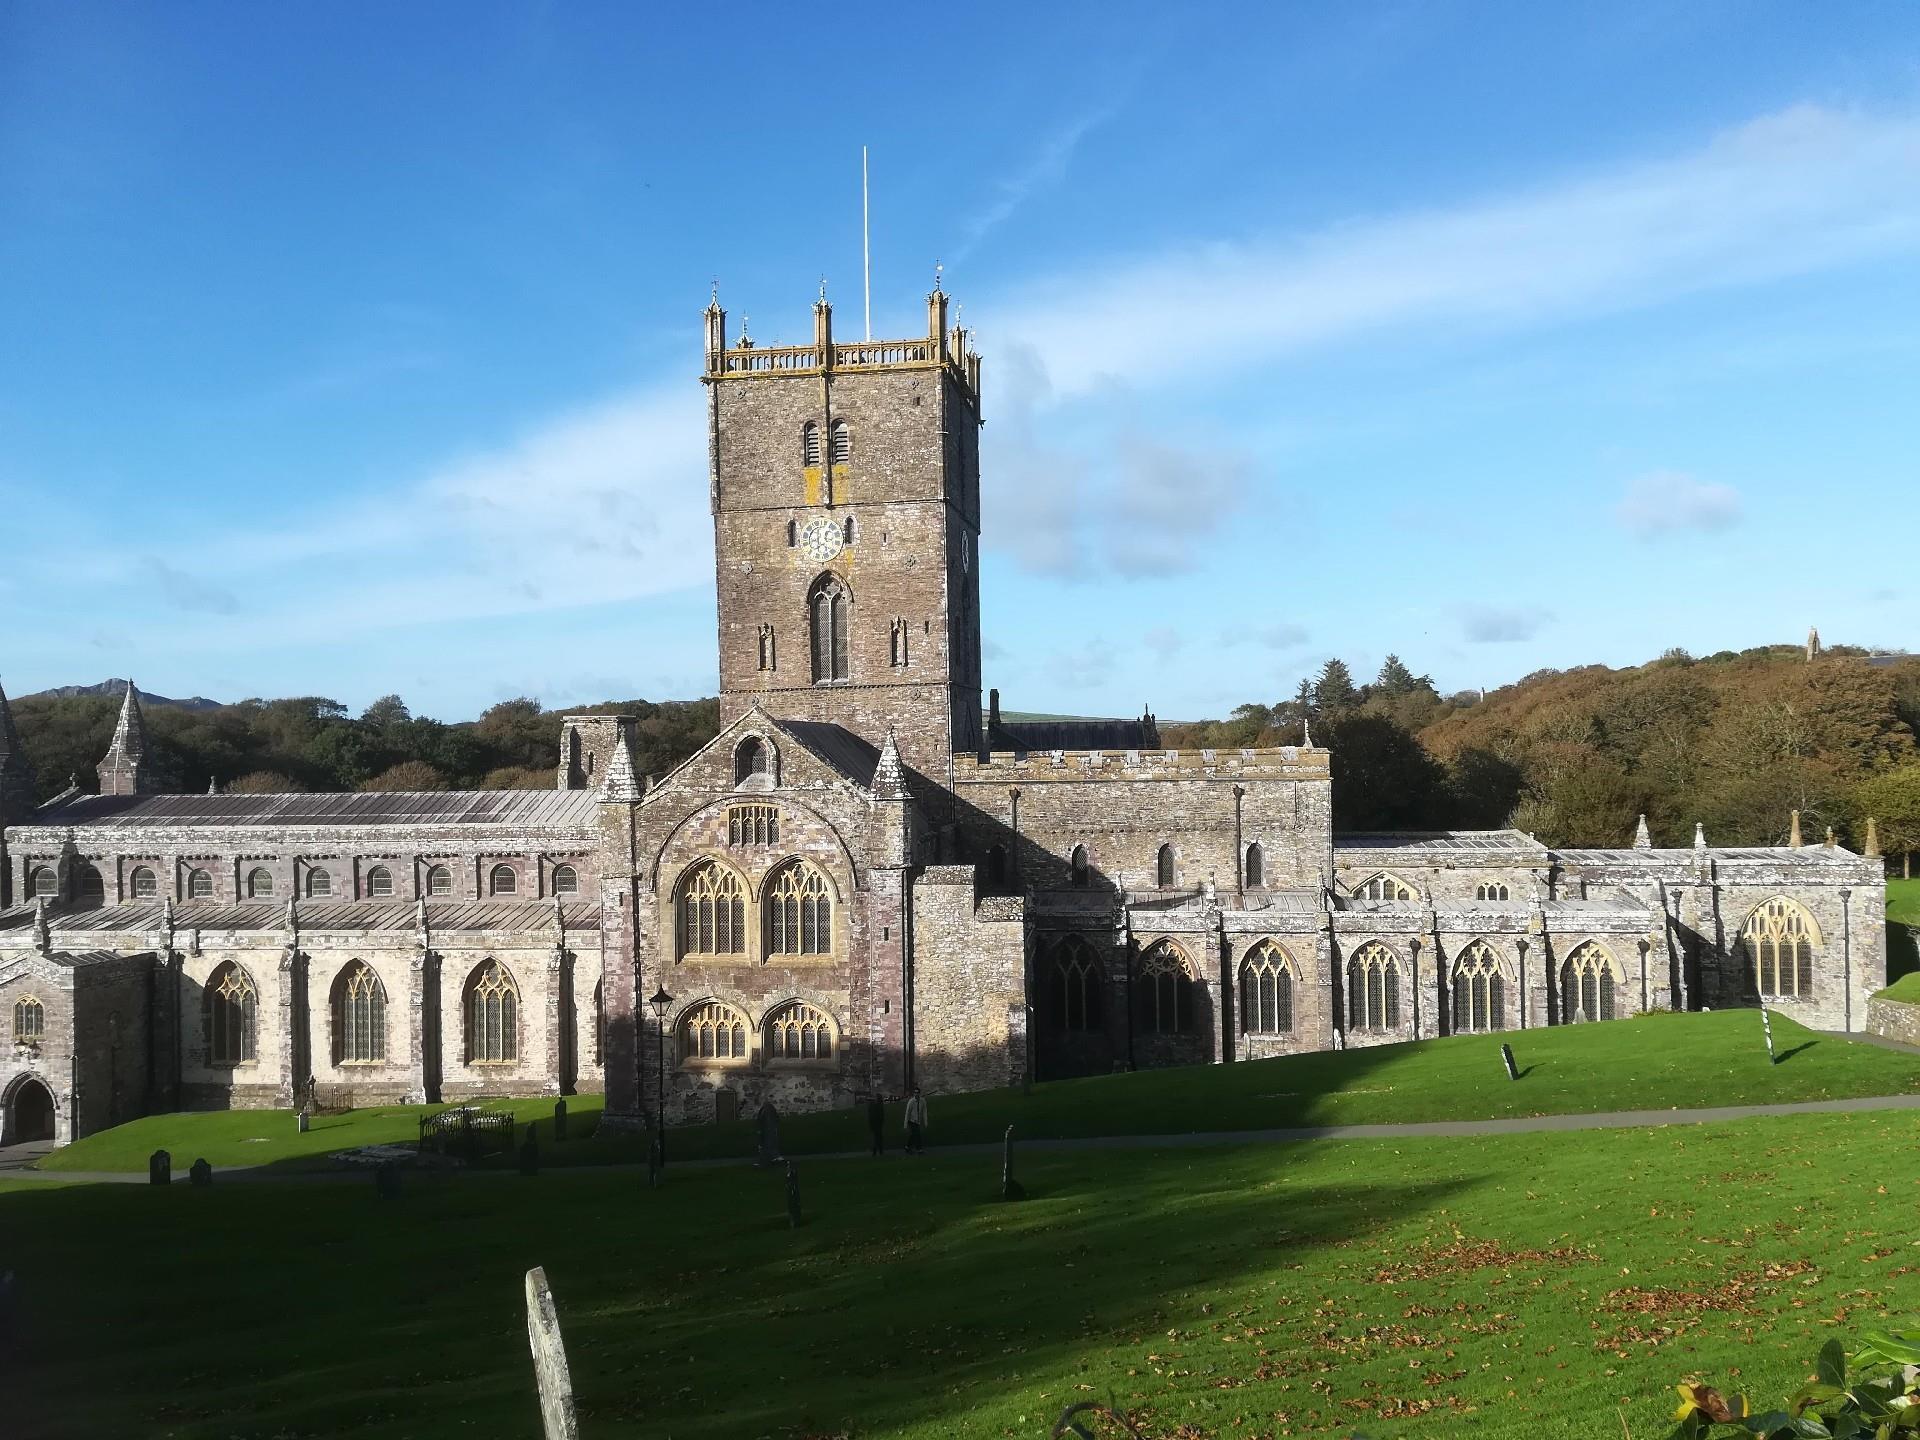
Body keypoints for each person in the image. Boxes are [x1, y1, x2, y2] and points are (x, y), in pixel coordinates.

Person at [903, 1086, 927, 1155]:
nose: (916, 1094)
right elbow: (907, 1113)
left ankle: (907, 1147)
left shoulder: (923, 1101)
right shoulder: (911, 1102)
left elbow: (924, 1111)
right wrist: (905, 1124)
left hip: (918, 1121)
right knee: (917, 1134)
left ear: (919, 1093)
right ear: (914, 1094)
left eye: (917, 1093)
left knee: (913, 1135)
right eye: (915, 1093)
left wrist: (925, 1122)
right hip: (911, 1120)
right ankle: (919, 1149)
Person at [866, 1092, 886, 1157]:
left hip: (876, 1124)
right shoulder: (877, 1106)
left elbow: (873, 1116)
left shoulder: (874, 1106)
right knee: (878, 1138)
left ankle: (877, 1151)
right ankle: (878, 1151)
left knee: (877, 1138)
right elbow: (880, 1116)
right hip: (877, 1124)